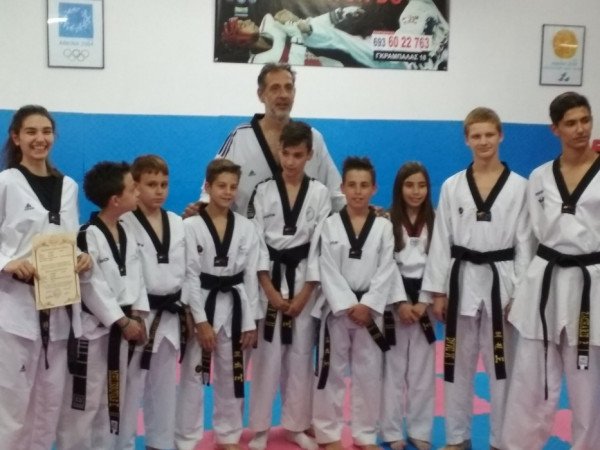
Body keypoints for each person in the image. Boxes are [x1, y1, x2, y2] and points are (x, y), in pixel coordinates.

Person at [421, 107, 531, 450]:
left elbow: (525, 243)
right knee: (456, 365)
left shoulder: (521, 187)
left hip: (503, 282)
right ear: (467, 140)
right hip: (462, 282)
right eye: (476, 136)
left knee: (502, 369)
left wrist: (520, 294)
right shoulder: (453, 185)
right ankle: (458, 438)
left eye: (489, 134)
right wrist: (438, 292)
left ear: (501, 135)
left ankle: (501, 440)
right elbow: (441, 240)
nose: (483, 141)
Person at [502, 92, 600, 449]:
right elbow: (526, 239)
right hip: (543, 282)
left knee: (587, 383)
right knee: (531, 377)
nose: (580, 129)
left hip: (591, 284)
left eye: (585, 120)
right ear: (555, 129)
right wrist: (519, 290)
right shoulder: (540, 177)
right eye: (571, 123)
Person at [0, 105, 91, 450]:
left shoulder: (68, 186)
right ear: (16, 138)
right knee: (12, 400)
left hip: (59, 304)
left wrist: (81, 257)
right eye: (31, 132)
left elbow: (68, 237)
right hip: (15, 307)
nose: (40, 139)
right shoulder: (6, 183)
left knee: (49, 400)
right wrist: (7, 262)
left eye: (46, 131)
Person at [248, 121, 331, 450]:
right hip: (268, 280)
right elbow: (255, 244)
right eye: (286, 153)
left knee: (300, 356)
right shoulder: (263, 191)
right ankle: (259, 427)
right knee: (266, 358)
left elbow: (320, 246)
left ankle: (296, 425)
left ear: (309, 155)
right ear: (278, 152)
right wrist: (268, 289)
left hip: (304, 284)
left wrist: (306, 293)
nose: (291, 161)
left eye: (298, 155)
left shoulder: (320, 193)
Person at [56, 161, 148, 450]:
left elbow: (137, 277)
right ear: (115, 200)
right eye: (133, 188)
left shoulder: (127, 232)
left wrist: (138, 315)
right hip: (93, 332)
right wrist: (121, 320)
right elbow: (90, 285)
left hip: (122, 329)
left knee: (112, 398)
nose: (138, 192)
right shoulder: (86, 235)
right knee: (84, 401)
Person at [186, 62, 344, 217]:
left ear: (294, 93)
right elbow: (215, 181)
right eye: (275, 88)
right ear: (261, 94)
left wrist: (355, 215)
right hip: (247, 231)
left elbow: (336, 194)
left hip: (304, 232)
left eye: (288, 87)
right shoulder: (240, 137)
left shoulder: (313, 138)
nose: (283, 95)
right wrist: (203, 207)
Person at [312, 156, 396, 450]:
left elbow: (387, 268)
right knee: (330, 373)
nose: (358, 191)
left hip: (370, 312)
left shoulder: (384, 227)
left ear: (374, 188)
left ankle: (365, 434)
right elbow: (326, 268)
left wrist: (368, 305)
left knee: (369, 375)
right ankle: (328, 433)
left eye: (364, 185)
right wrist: (348, 304)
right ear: (342, 188)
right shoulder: (329, 225)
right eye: (352, 185)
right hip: (338, 311)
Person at [177, 158, 260, 450]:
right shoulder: (189, 226)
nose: (227, 192)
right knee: (193, 376)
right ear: (208, 187)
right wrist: (199, 320)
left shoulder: (247, 227)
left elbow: (251, 276)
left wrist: (250, 321)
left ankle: (229, 435)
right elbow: (189, 274)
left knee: (232, 374)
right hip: (202, 302)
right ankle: (187, 438)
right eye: (221, 186)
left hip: (236, 307)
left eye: (233, 187)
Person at [114, 155, 187, 450]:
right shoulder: (124, 223)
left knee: (164, 387)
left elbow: (186, 271)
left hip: (170, 316)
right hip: (139, 317)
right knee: (131, 388)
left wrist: (188, 311)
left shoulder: (178, 222)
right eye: (151, 184)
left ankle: (160, 444)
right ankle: (124, 444)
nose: (159, 190)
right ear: (135, 186)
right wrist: (135, 314)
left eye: (164, 184)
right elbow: (126, 274)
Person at [380, 162, 436, 450]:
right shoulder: (386, 221)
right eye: (409, 185)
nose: (416, 191)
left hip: (425, 302)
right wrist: (401, 302)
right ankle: (391, 431)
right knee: (393, 370)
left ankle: (420, 430)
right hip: (396, 303)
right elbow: (385, 265)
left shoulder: (437, 221)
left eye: (422, 185)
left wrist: (424, 302)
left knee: (423, 372)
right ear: (399, 188)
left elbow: (440, 263)